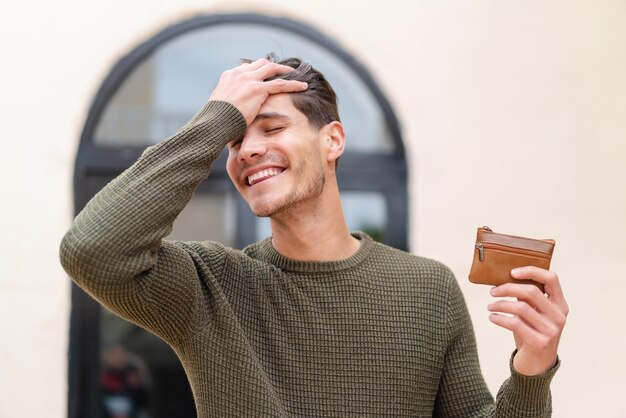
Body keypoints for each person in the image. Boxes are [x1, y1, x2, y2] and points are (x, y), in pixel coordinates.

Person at [60, 55, 568, 417]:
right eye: (235, 140)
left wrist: (532, 370)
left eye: (271, 128)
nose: (246, 151)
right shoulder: (209, 287)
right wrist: (217, 118)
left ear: (333, 140)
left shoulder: (427, 289)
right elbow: (92, 250)